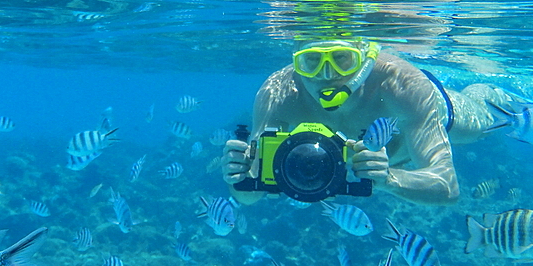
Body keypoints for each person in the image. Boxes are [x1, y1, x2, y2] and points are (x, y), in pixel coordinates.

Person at [221, 39, 517, 206]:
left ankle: (487, 91)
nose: (327, 75)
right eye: (312, 61)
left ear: (365, 58)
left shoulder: (402, 86)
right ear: (297, 62)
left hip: (439, 110)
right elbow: (248, 195)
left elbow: (448, 187)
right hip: (393, 148)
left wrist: (390, 179)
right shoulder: (277, 94)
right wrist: (238, 177)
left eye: (342, 59)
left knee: (482, 125)